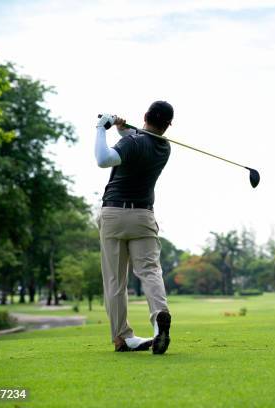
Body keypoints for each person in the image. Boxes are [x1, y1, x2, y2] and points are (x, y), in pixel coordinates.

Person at [94, 101, 173, 354]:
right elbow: (136, 141)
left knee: (116, 280)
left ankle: (121, 337)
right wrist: (120, 127)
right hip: (143, 216)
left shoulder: (134, 143)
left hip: (115, 214)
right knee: (150, 271)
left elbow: (103, 159)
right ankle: (159, 317)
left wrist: (101, 128)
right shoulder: (164, 147)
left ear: (145, 116)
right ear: (168, 125)